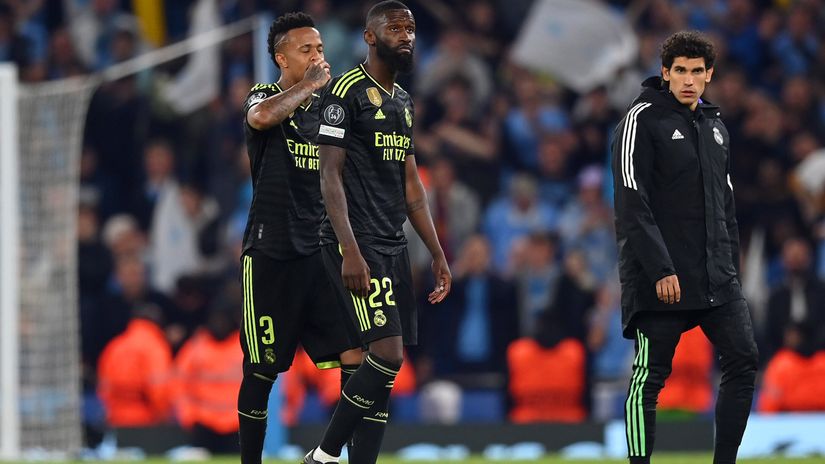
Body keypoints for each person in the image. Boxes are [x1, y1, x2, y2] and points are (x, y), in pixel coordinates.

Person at [305, 2, 452, 463]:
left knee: (370, 374)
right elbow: (329, 176)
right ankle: (325, 455)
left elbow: (412, 187)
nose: (406, 35)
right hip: (355, 244)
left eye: (410, 28)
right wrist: (349, 250)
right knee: (387, 356)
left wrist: (437, 252)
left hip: (391, 246)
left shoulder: (404, 102)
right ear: (370, 37)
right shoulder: (344, 92)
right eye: (395, 27)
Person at [611, 31, 758, 464]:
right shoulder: (640, 120)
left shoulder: (715, 127)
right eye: (680, 71)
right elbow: (630, 204)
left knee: (744, 360)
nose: (689, 80)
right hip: (662, 281)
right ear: (665, 73)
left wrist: (729, 269)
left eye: (697, 71)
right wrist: (660, 270)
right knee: (649, 378)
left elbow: (725, 207)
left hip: (715, 280)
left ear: (709, 75)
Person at [236, 12, 361, 464]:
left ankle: (331, 456)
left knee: (356, 355)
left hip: (322, 251)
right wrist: (309, 85)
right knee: (262, 370)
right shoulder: (266, 94)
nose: (317, 57)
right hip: (271, 253)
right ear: (281, 58)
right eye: (306, 49)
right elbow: (262, 117)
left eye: (321, 49)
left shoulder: (333, 111)